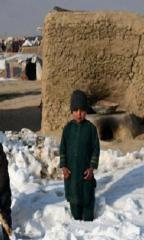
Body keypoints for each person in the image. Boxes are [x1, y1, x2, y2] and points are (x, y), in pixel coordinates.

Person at [59, 90, 100, 221]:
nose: (79, 114)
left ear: (86, 111)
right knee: (74, 205)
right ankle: (76, 222)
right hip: (71, 173)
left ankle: (89, 225)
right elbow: (62, 148)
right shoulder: (67, 129)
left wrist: (92, 167)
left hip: (85, 172)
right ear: (71, 111)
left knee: (87, 200)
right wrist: (64, 166)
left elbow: (95, 149)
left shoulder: (91, 129)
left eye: (82, 110)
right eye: (75, 110)